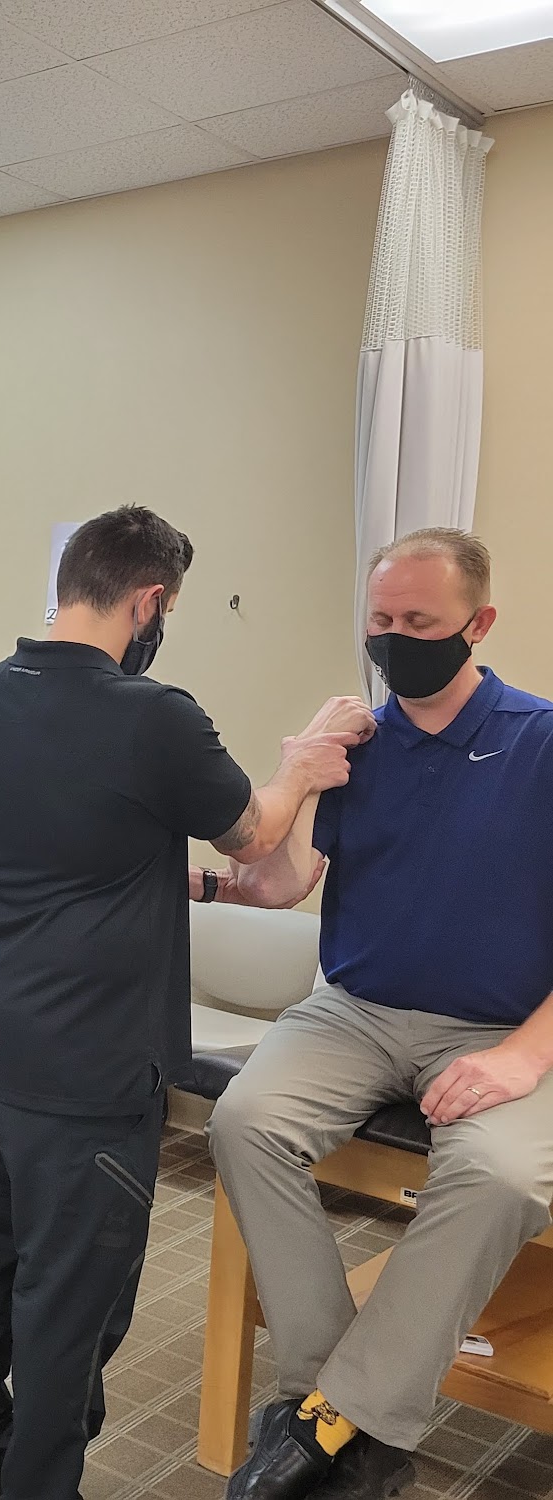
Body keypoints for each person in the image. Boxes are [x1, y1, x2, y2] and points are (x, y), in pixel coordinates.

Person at [0, 506, 361, 1500]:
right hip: (86, 1065)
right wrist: (301, 763)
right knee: (71, 1301)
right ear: (149, 600)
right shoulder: (151, 714)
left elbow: (75, 846)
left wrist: (206, 888)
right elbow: (256, 834)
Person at [209, 529, 553, 1500]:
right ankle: (339, 1415)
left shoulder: (539, 740)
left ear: (478, 625)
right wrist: (298, 768)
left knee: (497, 1175)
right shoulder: (358, 746)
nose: (395, 639)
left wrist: (525, 1059)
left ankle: (327, 1421)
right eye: (380, 619)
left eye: (420, 622)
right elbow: (279, 886)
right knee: (244, 1122)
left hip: (502, 1029)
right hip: (354, 1011)